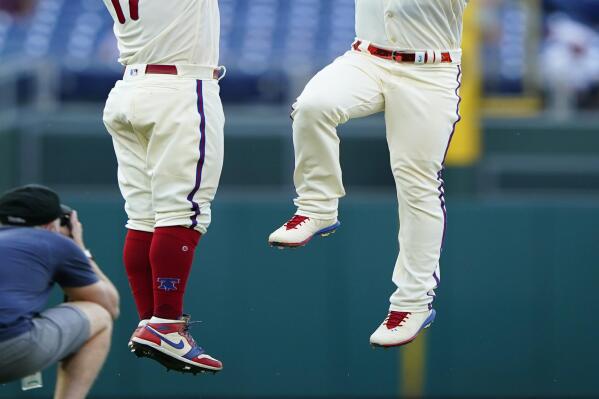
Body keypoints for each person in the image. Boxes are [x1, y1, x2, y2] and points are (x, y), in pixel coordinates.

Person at [268, 0, 468, 347]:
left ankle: (413, 303)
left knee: (417, 182)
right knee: (313, 107)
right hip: (366, 58)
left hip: (430, 71)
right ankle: (317, 208)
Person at [102, 0, 224, 373]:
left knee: (144, 217)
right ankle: (166, 325)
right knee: (183, 212)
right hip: (178, 89)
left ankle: (151, 322)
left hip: (129, 89)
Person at [0, 185, 119, 399]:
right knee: (99, 315)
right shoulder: (51, 241)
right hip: (9, 346)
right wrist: (79, 247)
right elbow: (110, 305)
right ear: (50, 225)